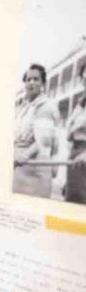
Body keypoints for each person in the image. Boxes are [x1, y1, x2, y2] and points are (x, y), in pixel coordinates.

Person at [13, 63, 59, 198]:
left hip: (34, 171)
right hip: (19, 169)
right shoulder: (24, 108)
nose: (31, 82)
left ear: (43, 83)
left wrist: (23, 157)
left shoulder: (47, 106)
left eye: (36, 79)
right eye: (28, 79)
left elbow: (42, 141)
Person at [64, 63, 86, 204]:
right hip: (74, 154)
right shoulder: (80, 104)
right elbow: (69, 132)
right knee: (73, 200)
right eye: (84, 78)